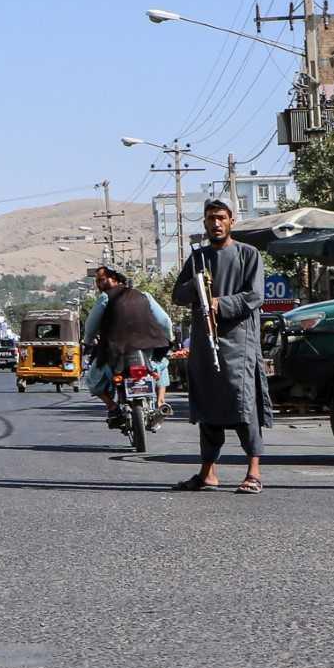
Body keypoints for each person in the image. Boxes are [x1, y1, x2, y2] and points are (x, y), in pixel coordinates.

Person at [172, 200, 271, 494]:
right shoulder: (198, 258)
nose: (215, 223)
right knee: (208, 407)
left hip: (239, 343)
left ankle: (253, 472)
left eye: (221, 218)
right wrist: (198, 285)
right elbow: (179, 293)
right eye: (210, 218)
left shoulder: (248, 254)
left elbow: (255, 296)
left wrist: (220, 303)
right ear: (203, 223)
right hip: (205, 343)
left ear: (231, 221)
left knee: (244, 407)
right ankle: (208, 473)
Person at [87, 265, 174, 429]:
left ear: (115, 279)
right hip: (147, 347)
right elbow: (165, 321)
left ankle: (112, 407)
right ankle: (160, 402)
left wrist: (88, 341)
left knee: (92, 379)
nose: (98, 284)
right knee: (161, 365)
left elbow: (91, 325)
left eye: (102, 279)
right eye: (97, 281)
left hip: (116, 351)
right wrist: (170, 338)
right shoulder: (144, 295)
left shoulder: (105, 298)